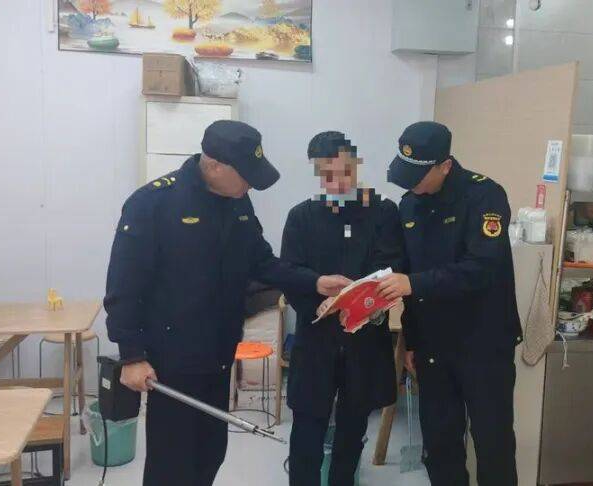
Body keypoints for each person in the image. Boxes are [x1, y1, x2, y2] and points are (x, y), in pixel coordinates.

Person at [104, 120, 351, 486]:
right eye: (246, 175)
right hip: (173, 361)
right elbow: (124, 286)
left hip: (219, 354)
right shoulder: (152, 204)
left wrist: (314, 281)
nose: (250, 184)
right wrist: (131, 356)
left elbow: (261, 261)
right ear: (214, 165)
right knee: (172, 465)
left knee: (210, 453)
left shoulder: (238, 202)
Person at [377, 121, 522, 486]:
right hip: (433, 345)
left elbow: (482, 268)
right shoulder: (409, 205)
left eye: (418, 176)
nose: (411, 185)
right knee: (440, 444)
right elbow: (407, 276)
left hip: (484, 343)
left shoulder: (484, 196)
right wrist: (411, 340)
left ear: (445, 165)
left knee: (493, 443)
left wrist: (413, 283)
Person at [280, 131, 404, 486]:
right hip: (317, 339)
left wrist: (361, 301)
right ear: (317, 172)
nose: (338, 182)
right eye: (328, 174)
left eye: (345, 172)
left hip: (364, 341)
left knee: (352, 431)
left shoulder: (383, 213)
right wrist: (319, 297)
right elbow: (289, 273)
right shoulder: (302, 217)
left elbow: (392, 265)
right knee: (307, 431)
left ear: (356, 163)